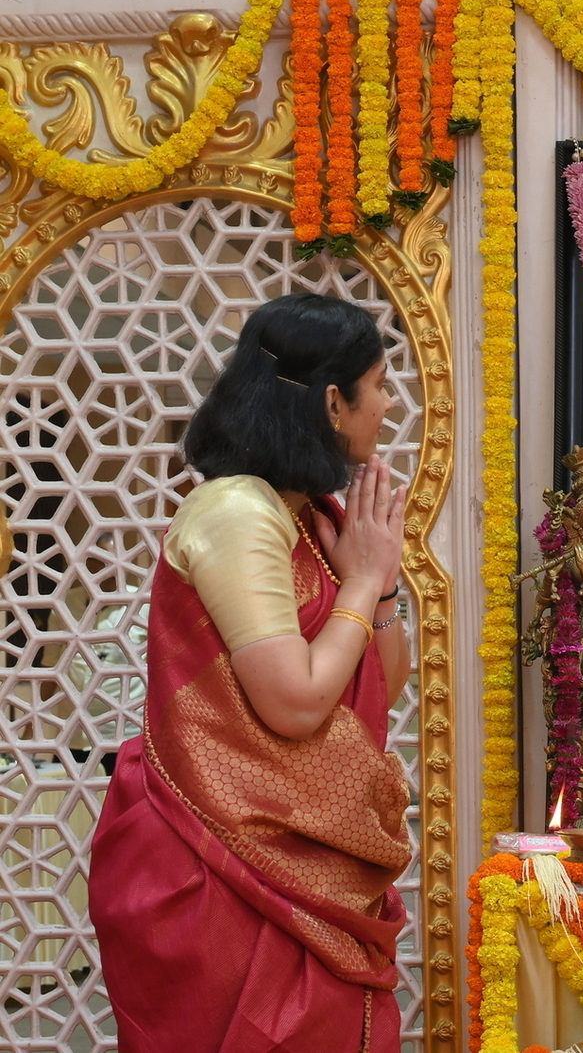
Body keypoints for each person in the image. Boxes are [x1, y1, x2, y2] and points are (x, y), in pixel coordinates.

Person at [89, 292, 412, 1053]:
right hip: (219, 864)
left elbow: (379, 683)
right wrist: (363, 580)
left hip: (302, 852)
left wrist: (378, 588)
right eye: (379, 384)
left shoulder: (308, 514)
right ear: (332, 402)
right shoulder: (237, 512)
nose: (388, 404)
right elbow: (296, 702)